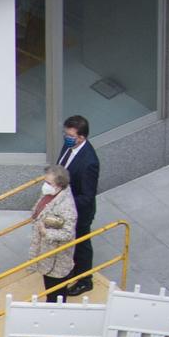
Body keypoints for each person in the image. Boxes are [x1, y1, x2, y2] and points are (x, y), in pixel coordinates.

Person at [57, 116, 100, 296]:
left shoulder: (89, 162)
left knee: (82, 245)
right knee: (70, 243)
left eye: (70, 135)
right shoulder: (69, 146)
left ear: (81, 137)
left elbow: (87, 196)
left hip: (79, 212)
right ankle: (74, 269)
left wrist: (63, 202)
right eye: (66, 133)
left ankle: (85, 280)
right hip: (65, 205)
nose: (66, 137)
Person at [29, 165, 79, 303]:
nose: (45, 185)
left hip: (57, 258)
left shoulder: (66, 206)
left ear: (59, 185)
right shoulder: (50, 195)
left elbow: (68, 233)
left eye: (49, 183)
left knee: (56, 293)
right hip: (47, 254)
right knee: (49, 288)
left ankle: (54, 315)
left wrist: (46, 232)